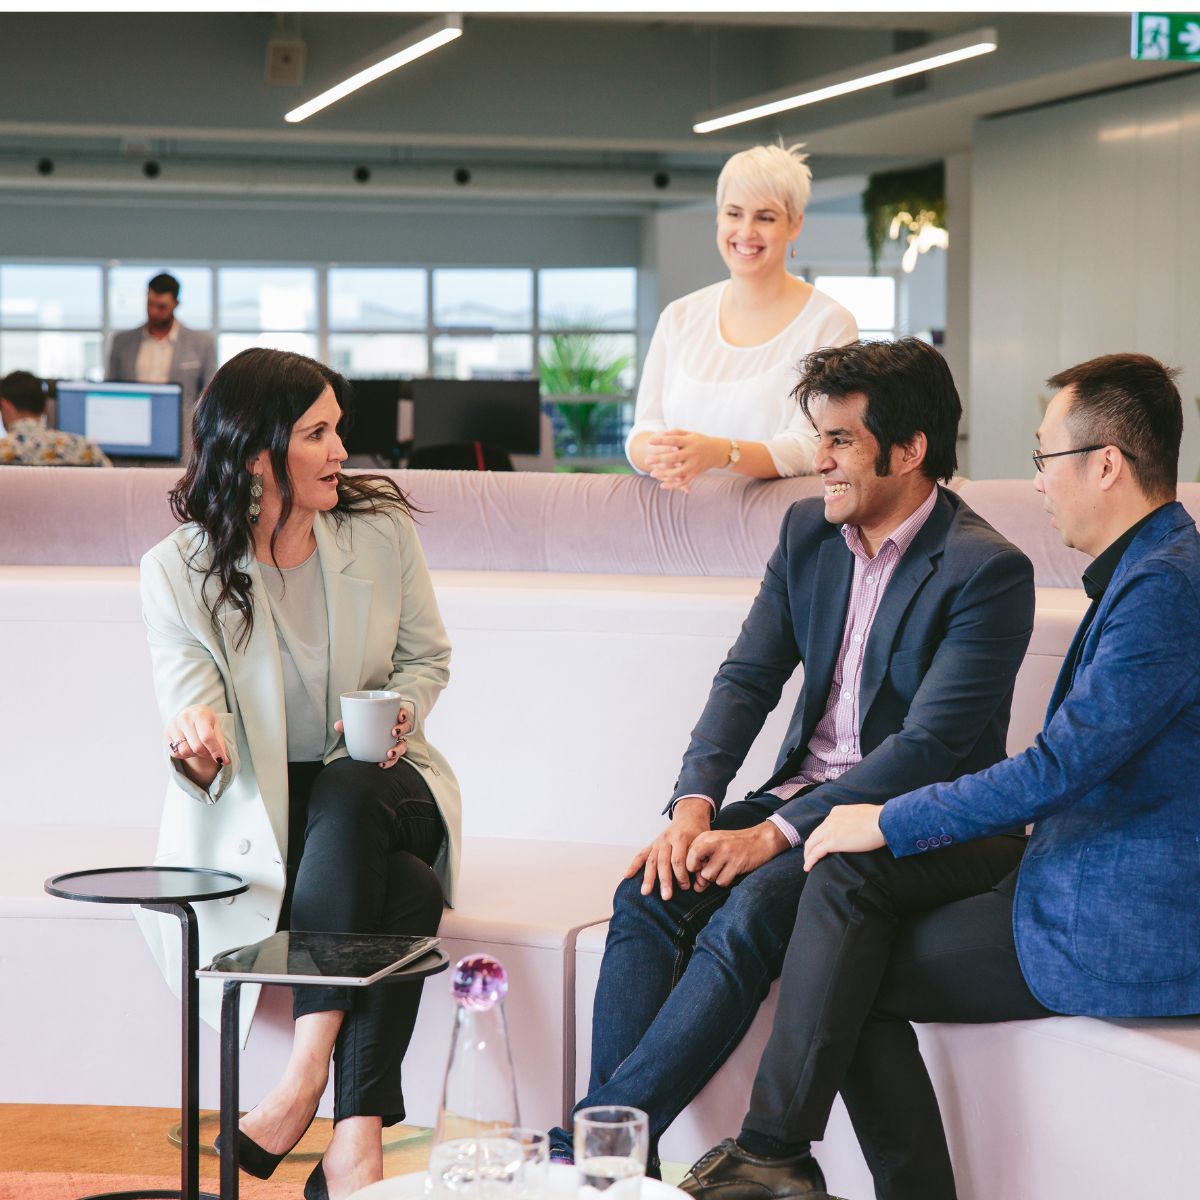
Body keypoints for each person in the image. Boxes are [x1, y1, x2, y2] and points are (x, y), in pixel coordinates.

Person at [680, 352, 1197, 1200]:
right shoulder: (1152, 569)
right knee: (844, 893)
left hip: (1120, 921)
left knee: (847, 970)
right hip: (1067, 875)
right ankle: (776, 1158)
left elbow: (1059, 767)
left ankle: (775, 1155)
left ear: (1105, 464)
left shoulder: (1165, 588)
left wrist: (885, 817)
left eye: (1045, 457)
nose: (1038, 482)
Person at [550, 338, 1036, 1168]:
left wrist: (770, 837)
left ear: (909, 450)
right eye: (818, 438)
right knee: (648, 890)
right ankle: (620, 1161)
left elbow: (929, 748)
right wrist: (695, 806)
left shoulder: (985, 571)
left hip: (902, 823)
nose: (820, 462)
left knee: (752, 911)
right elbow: (748, 677)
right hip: (797, 798)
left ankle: (594, 1153)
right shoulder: (809, 531)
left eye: (840, 441)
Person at [136, 348, 461, 1200]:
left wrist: (401, 710)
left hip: (388, 781)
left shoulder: (379, 532)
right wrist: (198, 742)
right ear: (256, 453)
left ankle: (299, 1079)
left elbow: (426, 657)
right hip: (277, 817)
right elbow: (192, 706)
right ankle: (356, 1144)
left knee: (352, 788)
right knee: (411, 891)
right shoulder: (178, 571)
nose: (340, 451)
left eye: (337, 430)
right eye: (316, 433)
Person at [626, 145, 858, 491]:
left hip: (777, 521)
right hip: (678, 517)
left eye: (765, 217)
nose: (746, 232)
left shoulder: (829, 323)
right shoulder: (679, 316)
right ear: (719, 218)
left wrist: (720, 453)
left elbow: (811, 446)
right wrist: (663, 454)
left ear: (795, 224)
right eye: (734, 213)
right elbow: (643, 430)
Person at [106, 271, 217, 456]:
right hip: (130, 435)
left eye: (161, 307)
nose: (154, 312)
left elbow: (209, 398)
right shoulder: (122, 342)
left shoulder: (201, 343)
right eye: (150, 304)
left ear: (176, 304)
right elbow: (110, 391)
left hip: (181, 441)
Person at [0, 370, 111, 466]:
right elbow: (112, 482)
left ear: (5, 405)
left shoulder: (3, 450)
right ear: (45, 408)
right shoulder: (86, 450)